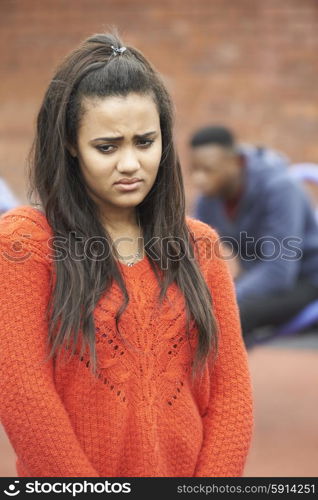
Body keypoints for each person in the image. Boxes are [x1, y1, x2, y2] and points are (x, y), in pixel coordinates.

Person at [0, 33, 253, 478]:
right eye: (107, 146)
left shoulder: (200, 247)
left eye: (145, 141)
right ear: (70, 145)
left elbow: (232, 395)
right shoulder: (25, 242)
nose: (131, 164)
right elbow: (24, 397)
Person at [189, 125, 318, 345]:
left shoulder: (281, 188)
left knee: (232, 314)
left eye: (208, 169)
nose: (199, 179)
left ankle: (227, 378)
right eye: (195, 169)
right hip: (266, 276)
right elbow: (199, 259)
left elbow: (279, 270)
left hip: (307, 279)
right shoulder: (208, 201)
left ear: (234, 162)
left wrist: (226, 296)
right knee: (193, 310)